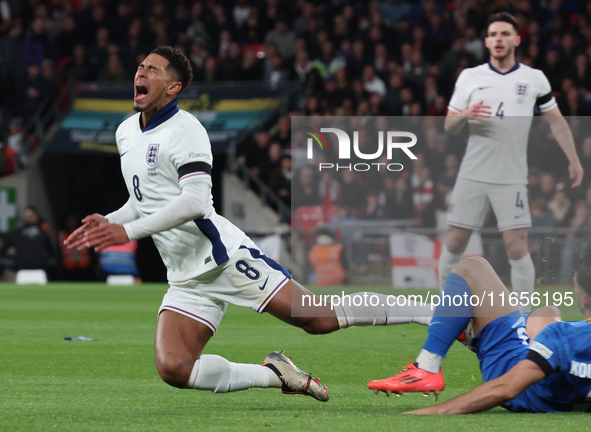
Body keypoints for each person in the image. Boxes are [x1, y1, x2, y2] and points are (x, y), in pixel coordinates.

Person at [64, 46, 433, 401]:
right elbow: (145, 199)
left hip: (223, 258)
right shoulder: (126, 132)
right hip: (184, 273)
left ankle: (433, 313)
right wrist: (111, 220)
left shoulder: (186, 130)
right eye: (141, 67)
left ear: (174, 87)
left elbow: (195, 201)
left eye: (152, 69)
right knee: (175, 367)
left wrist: (125, 231)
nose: (141, 72)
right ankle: (276, 374)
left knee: (318, 318)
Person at [440, 13, 584, 312]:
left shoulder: (534, 78)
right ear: (486, 41)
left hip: (511, 176)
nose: (499, 39)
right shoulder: (470, 76)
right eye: (493, 34)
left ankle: (522, 320)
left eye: (505, 34)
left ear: (517, 40)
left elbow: (557, 123)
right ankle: (448, 311)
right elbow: (449, 125)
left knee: (517, 247)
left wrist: (574, 159)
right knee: (454, 244)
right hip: (473, 173)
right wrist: (464, 115)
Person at [368, 254, 591, 414]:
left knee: (473, 267)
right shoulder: (567, 336)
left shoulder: (561, 335)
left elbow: (506, 388)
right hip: (556, 385)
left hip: (518, 379)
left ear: (583, 299)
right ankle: (465, 324)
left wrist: (436, 411)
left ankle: (427, 366)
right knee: (547, 312)